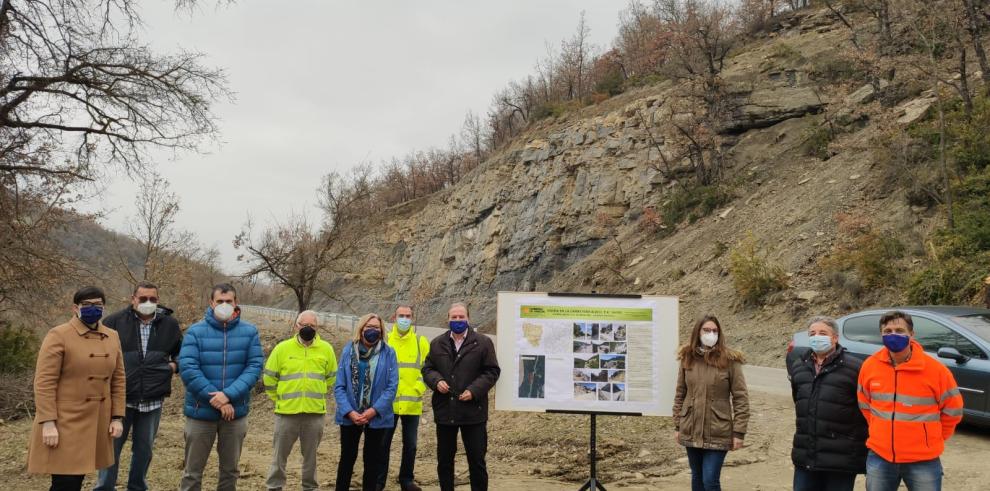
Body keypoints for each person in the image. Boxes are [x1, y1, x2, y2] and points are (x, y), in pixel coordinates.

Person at [27, 286, 125, 491]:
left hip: (98, 419)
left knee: (78, 478)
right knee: (65, 482)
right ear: (75, 308)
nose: (93, 308)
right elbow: (44, 382)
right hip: (65, 421)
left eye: (98, 304)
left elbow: (118, 379)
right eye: (87, 305)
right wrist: (48, 422)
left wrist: (117, 417)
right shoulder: (58, 334)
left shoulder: (112, 335)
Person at [857, 311, 964, 491]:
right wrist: (879, 430)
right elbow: (865, 404)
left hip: (923, 460)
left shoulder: (936, 370)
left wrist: (932, 438)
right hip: (880, 456)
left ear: (911, 334)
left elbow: (953, 410)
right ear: (881, 334)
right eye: (888, 330)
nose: (893, 335)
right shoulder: (870, 366)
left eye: (899, 330)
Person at [94, 281, 182, 491]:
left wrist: (174, 366)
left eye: (153, 299)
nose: (148, 302)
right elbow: (99, 354)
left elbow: (181, 352)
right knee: (111, 449)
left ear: (158, 300)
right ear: (133, 299)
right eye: (143, 299)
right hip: (119, 400)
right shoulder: (113, 322)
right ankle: (104, 488)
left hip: (153, 400)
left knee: (144, 450)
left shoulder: (170, 324)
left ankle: (137, 486)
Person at [178, 283, 264, 491]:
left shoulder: (250, 332)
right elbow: (188, 369)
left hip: (235, 413)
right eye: (220, 301)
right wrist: (215, 399)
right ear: (211, 303)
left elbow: (254, 367)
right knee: (192, 472)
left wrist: (228, 395)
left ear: (236, 303)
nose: (224, 305)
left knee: (230, 471)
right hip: (200, 412)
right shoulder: (195, 332)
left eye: (229, 301)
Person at [421, 303, 501, 491]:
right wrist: (436, 381)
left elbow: (492, 371)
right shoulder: (437, 343)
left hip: (473, 412)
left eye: (461, 317)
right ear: (448, 319)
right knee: (445, 461)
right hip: (445, 411)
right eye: (454, 317)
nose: (457, 320)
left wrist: (474, 390)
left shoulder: (483, 342)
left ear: (468, 318)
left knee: (477, 461)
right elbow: (427, 368)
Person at [787, 316, 867, 491]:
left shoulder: (855, 368)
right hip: (806, 454)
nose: (817, 336)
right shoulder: (799, 366)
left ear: (835, 338)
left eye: (823, 333)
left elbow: (865, 410)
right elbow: (799, 400)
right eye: (812, 333)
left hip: (841, 458)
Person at [672, 315, 749, 491]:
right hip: (690, 427)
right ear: (698, 332)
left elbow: (741, 398)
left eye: (714, 331)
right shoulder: (687, 358)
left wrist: (739, 432)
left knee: (710, 480)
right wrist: (678, 425)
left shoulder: (730, 361)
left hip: (718, 430)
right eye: (706, 330)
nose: (711, 334)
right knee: (697, 477)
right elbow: (680, 393)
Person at [263, 310, 338, 491]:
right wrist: (279, 399)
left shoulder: (326, 349)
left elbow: (331, 378)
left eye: (312, 325)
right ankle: (274, 487)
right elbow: (269, 379)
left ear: (317, 328)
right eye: (304, 325)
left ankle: (309, 487)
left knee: (310, 457)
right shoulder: (282, 349)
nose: (308, 328)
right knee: (279, 456)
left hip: (314, 414)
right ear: (296, 326)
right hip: (286, 413)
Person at [333, 313, 399, 491]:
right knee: (347, 457)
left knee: (372, 460)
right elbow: (339, 386)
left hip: (376, 416)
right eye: (369, 327)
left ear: (382, 330)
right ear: (361, 329)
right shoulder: (348, 350)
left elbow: (392, 387)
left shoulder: (389, 352)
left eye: (376, 327)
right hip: (350, 415)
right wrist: (349, 411)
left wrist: (374, 411)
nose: (372, 330)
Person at [378, 305, 430, 491]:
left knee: (411, 445)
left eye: (408, 316)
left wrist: (418, 387)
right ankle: (379, 481)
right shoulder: (385, 340)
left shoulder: (420, 342)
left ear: (412, 318)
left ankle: (406, 479)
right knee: (383, 444)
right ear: (394, 317)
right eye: (401, 315)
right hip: (387, 404)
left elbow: (429, 369)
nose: (404, 319)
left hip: (411, 403)